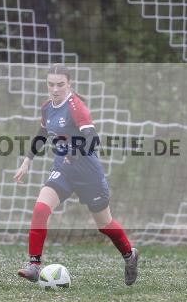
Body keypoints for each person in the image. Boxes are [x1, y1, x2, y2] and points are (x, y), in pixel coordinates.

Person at [14, 63, 139, 285]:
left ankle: (130, 256)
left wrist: (73, 153)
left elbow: (93, 139)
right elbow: (42, 133)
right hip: (63, 171)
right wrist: (27, 160)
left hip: (88, 174)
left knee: (105, 224)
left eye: (60, 85)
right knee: (40, 209)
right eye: (51, 84)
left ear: (69, 84)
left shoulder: (76, 107)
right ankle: (34, 266)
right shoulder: (47, 107)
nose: (55, 89)